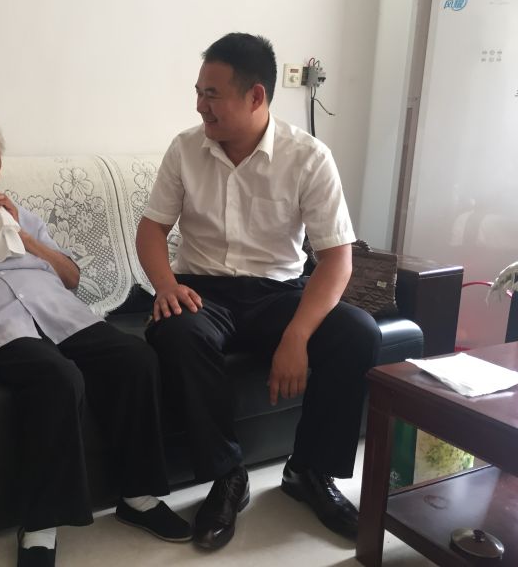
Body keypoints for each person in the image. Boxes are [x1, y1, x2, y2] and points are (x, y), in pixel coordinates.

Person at [0, 113, 191, 567]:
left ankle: (137, 497)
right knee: (58, 378)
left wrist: (21, 234)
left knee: (135, 358)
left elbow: (71, 278)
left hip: (57, 315)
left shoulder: (24, 216)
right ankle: (40, 525)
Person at [136, 33, 381, 549]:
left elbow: (337, 259)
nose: (200, 106)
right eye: (198, 92)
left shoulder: (308, 156)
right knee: (175, 332)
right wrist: (166, 286)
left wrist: (298, 335)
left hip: (278, 293)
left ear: (256, 96)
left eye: (212, 95)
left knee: (357, 332)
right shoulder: (185, 149)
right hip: (203, 292)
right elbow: (152, 229)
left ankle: (309, 470)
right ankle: (228, 475)